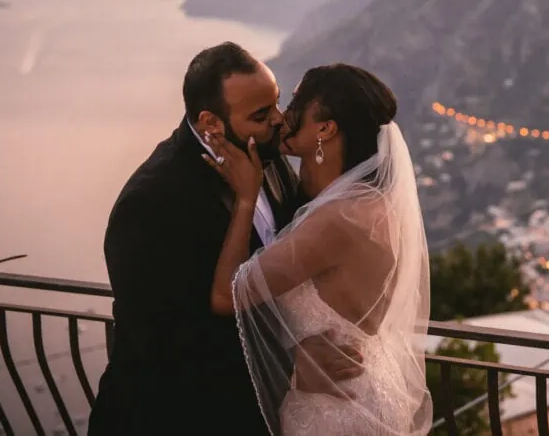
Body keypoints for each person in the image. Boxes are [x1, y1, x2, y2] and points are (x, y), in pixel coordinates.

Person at [89, 43, 364, 436]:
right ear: (210, 123)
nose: (279, 120)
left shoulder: (266, 155)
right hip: (169, 418)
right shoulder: (149, 204)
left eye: (276, 103)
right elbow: (166, 341)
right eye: (261, 115)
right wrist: (291, 363)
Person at [205, 63, 433, 436]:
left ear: (325, 129)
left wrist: (246, 199)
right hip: (364, 387)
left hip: (333, 405)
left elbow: (224, 296)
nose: (283, 117)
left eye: (297, 105)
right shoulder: (371, 204)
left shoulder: (339, 219)